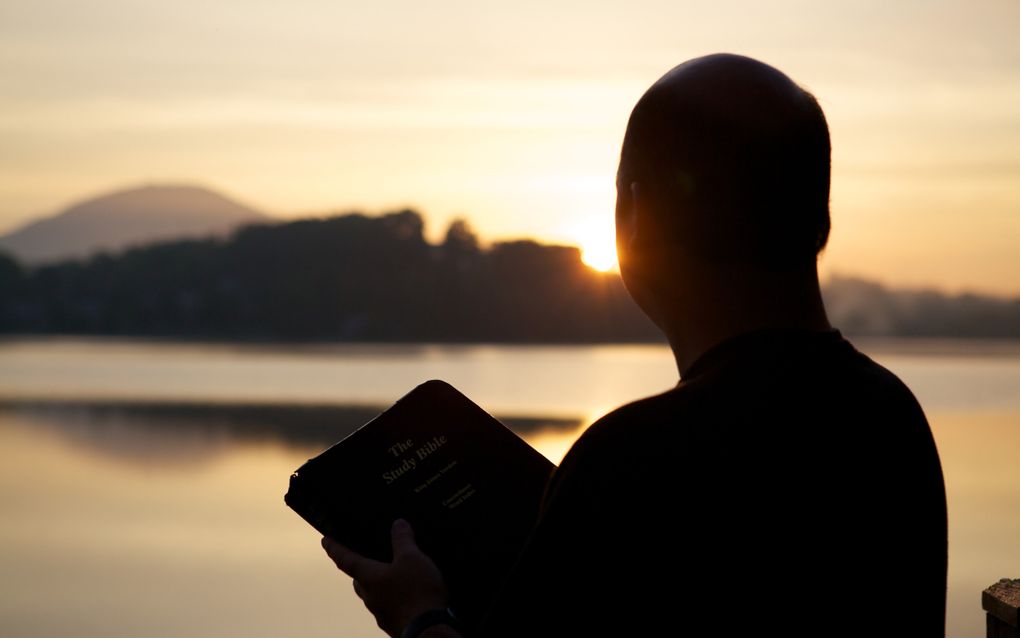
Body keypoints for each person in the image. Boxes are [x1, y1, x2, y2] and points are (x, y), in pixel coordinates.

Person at [321, 53, 948, 637]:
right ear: (822, 219)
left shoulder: (630, 460)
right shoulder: (894, 417)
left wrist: (421, 614)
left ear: (635, 213)